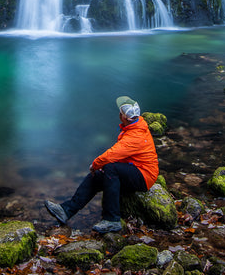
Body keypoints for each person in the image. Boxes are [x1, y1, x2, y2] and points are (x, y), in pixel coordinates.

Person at [44, 95, 158, 233]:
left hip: (144, 176)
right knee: (98, 176)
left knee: (109, 167)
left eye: (120, 113)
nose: (119, 114)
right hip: (134, 169)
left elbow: (112, 154)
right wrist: (99, 169)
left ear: (125, 117)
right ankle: (66, 210)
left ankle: (112, 220)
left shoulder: (135, 136)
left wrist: (95, 164)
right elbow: (122, 156)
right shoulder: (136, 125)